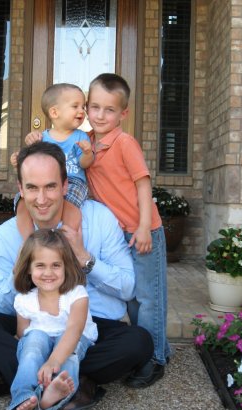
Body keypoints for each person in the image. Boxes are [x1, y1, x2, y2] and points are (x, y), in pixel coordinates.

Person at [0, 141, 154, 410]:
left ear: (64, 185)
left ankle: (9, 379)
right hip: (34, 324)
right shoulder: (8, 234)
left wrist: (84, 257)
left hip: (89, 329)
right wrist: (24, 262)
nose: (42, 198)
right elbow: (1, 302)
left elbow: (127, 288)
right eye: (32, 188)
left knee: (138, 342)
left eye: (50, 186)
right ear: (20, 189)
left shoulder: (99, 219)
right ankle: (75, 385)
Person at [86, 73, 171, 387]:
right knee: (133, 298)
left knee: (149, 299)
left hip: (143, 231)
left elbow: (142, 183)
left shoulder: (124, 142)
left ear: (123, 113)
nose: (100, 115)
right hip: (119, 234)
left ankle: (153, 360)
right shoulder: (87, 144)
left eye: (109, 110)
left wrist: (145, 227)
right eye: (94, 107)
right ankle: (156, 347)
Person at [6, 228, 98, 410]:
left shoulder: (76, 294)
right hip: (41, 337)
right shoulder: (24, 300)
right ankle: (24, 398)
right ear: (28, 268)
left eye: (56, 265)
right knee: (31, 347)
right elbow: (22, 333)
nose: (48, 273)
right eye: (40, 265)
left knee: (70, 356)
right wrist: (32, 349)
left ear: (66, 266)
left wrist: (53, 360)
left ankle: (48, 398)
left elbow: (74, 330)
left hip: (73, 339)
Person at [10, 83, 94, 239]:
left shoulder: (81, 137)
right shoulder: (42, 137)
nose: (81, 111)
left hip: (74, 181)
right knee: (21, 201)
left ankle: (65, 239)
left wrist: (88, 153)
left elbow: (84, 164)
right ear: (55, 112)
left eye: (83, 106)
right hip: (44, 181)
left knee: (70, 203)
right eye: (75, 106)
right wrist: (18, 160)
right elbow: (32, 161)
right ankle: (29, 241)